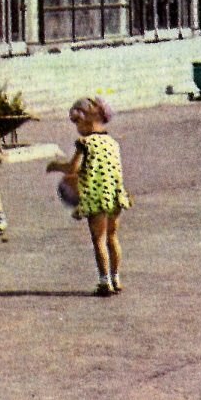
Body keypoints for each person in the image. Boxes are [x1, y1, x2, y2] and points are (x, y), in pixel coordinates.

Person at [48, 96, 132, 296]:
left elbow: (73, 168)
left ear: (87, 120)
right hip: (115, 195)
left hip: (96, 197)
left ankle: (104, 282)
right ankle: (116, 277)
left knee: (99, 239)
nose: (77, 128)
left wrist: (56, 166)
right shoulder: (112, 142)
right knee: (112, 237)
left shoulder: (84, 143)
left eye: (77, 123)